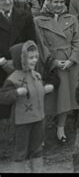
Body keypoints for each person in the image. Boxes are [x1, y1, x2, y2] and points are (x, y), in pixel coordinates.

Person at [34, 0, 79, 143]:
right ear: (48, 3)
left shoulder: (71, 19)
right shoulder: (38, 21)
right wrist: (53, 62)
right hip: (50, 65)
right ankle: (39, 134)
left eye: (62, 2)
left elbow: (78, 42)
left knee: (65, 99)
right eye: (55, 2)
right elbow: (40, 45)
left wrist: (72, 59)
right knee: (47, 100)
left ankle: (60, 129)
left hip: (70, 65)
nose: (59, 5)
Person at [0, 41, 54, 173]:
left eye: (36, 57)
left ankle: (37, 170)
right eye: (30, 57)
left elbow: (35, 92)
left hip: (38, 118)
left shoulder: (37, 75)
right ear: (21, 58)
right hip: (22, 121)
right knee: (21, 150)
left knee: (37, 148)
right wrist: (16, 93)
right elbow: (3, 97)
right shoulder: (13, 78)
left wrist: (44, 89)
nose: (34, 60)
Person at [0, 0, 36, 119]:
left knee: (22, 104)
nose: (8, 2)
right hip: (1, 67)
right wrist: (3, 62)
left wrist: (22, 62)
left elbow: (31, 42)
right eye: (3, 0)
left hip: (21, 66)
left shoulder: (24, 16)